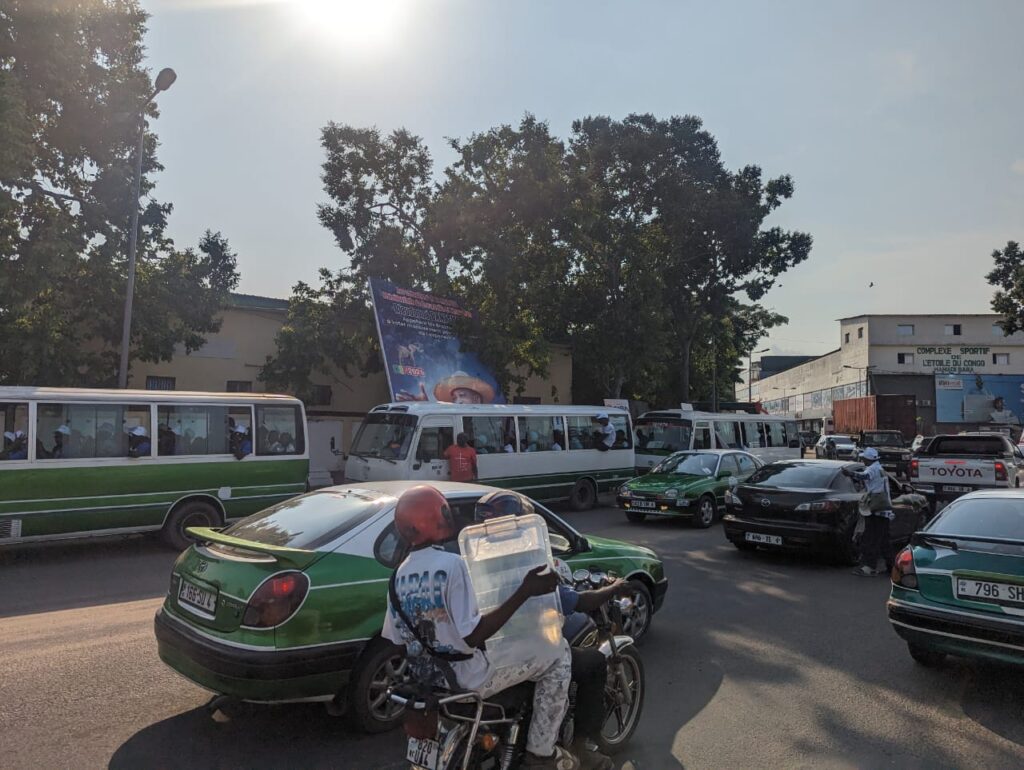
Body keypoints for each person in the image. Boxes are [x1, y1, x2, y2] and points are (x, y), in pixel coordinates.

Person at [382, 486, 577, 770]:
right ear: (436, 516)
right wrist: (526, 590)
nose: (449, 515)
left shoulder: (397, 577)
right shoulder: (452, 565)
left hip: (427, 680)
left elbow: (397, 643)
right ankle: (541, 751)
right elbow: (473, 635)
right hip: (469, 679)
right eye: (444, 510)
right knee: (559, 655)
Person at [474, 491, 626, 770]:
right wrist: (613, 588)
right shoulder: (530, 566)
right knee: (593, 662)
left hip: (491, 658)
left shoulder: (474, 565)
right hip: (529, 652)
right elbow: (578, 601)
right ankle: (581, 747)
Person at [843, 447, 894, 577]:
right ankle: (892, 567)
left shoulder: (872, 469)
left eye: (864, 458)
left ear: (868, 459)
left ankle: (869, 567)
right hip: (884, 510)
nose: (863, 460)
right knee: (884, 540)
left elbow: (864, 476)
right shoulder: (879, 468)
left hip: (876, 510)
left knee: (871, 538)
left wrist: (850, 474)